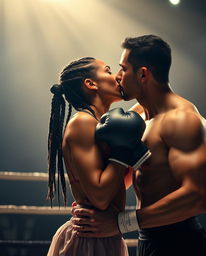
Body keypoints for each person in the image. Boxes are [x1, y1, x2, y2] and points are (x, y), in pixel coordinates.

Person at [72, 35, 206, 256]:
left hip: (182, 243)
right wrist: (90, 202)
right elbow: (130, 176)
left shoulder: (182, 120)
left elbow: (196, 198)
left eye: (123, 69)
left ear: (143, 74)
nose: (118, 77)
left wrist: (120, 222)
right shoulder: (136, 117)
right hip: (147, 239)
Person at [46, 57, 151, 256]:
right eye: (108, 70)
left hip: (105, 235)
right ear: (91, 84)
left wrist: (144, 90)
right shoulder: (82, 123)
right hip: (89, 242)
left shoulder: (99, 125)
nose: (116, 77)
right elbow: (101, 197)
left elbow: (115, 185)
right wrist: (122, 151)